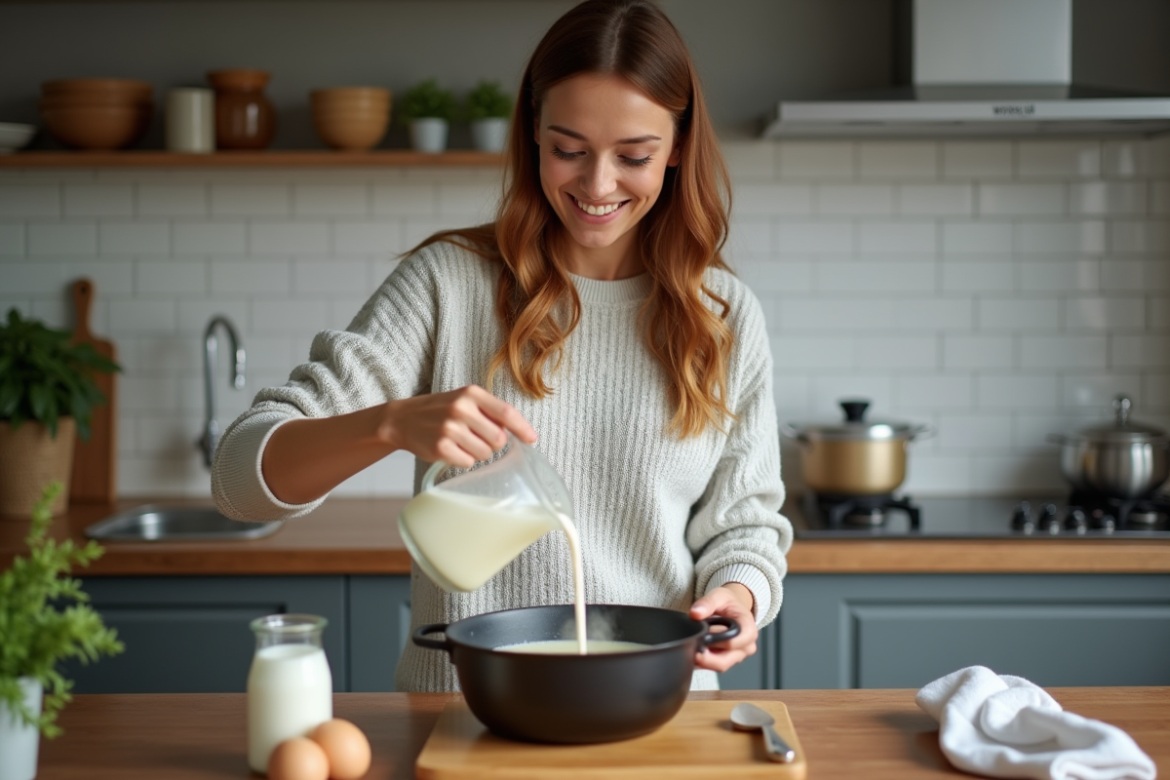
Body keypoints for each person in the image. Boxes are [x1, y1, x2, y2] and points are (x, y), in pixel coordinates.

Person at [212, 0, 793, 692]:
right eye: (568, 150)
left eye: (633, 156)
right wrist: (389, 425)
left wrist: (740, 592)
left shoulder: (721, 316)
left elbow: (745, 521)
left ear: (676, 150)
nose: (597, 185)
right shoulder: (448, 284)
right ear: (532, 136)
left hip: (652, 711)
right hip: (466, 713)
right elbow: (239, 484)